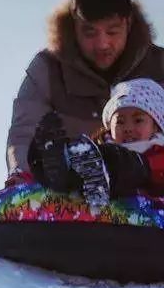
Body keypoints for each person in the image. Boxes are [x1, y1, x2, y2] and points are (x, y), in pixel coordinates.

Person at [5, 0, 164, 179]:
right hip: (75, 199)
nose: (102, 44)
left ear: (129, 23)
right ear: (74, 25)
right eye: (90, 32)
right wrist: (21, 180)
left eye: (112, 32)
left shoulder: (159, 65)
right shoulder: (48, 70)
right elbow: (25, 133)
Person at [30, 78, 164, 198]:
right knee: (83, 155)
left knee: (123, 161)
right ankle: (53, 166)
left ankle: (98, 178)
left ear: (155, 126)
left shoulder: (158, 151)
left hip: (146, 202)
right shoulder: (99, 147)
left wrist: (143, 167)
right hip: (107, 199)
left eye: (138, 120)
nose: (128, 128)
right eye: (120, 122)